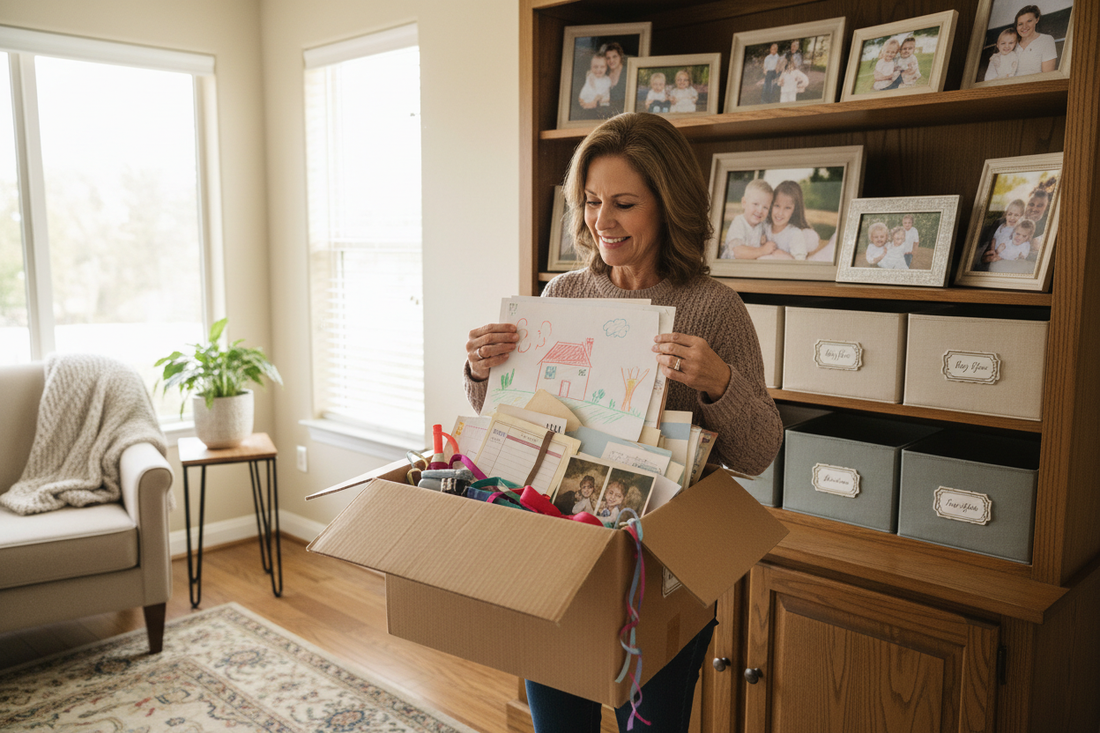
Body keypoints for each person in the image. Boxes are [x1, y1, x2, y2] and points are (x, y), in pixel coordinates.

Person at [463, 112, 782, 733]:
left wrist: (720, 382)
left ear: (669, 206)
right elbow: (506, 427)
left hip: (665, 567)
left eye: (624, 204)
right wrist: (482, 370)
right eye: (590, 201)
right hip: (562, 558)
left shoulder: (715, 308)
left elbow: (759, 452)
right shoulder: (561, 298)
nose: (600, 222)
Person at [762, 180, 816, 260]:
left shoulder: (794, 234)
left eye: (787, 208)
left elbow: (800, 261)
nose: (780, 213)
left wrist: (785, 256)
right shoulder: (765, 226)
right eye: (777, 206)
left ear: (795, 210)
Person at [719, 178, 773, 259]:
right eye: (755, 204)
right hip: (731, 268)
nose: (760, 210)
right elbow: (738, 252)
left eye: (765, 207)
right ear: (744, 203)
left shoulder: (762, 225)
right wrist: (763, 250)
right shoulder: (739, 222)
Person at [1014, 5, 1058, 77]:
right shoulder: (1011, 44)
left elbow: (1048, 76)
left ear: (1036, 20)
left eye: (1029, 21)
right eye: (1020, 24)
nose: (1024, 27)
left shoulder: (1046, 40)